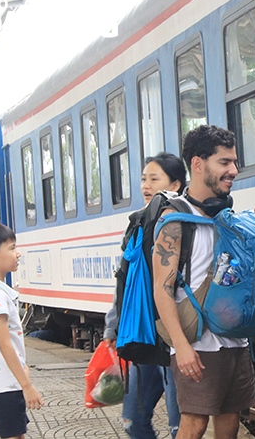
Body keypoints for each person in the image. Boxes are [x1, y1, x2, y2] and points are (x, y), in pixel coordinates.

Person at [153, 125, 255, 439]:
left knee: (230, 420)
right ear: (198, 164)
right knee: (194, 423)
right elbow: (162, 288)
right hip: (198, 342)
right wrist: (181, 347)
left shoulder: (226, 215)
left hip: (234, 339)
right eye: (224, 162)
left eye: (234, 162)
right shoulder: (174, 221)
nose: (233, 170)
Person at [103, 152, 185, 439]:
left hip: (173, 336)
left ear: (175, 184)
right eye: (143, 179)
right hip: (142, 333)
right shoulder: (137, 223)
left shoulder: (185, 221)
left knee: (179, 426)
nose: (146, 185)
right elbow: (124, 279)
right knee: (132, 420)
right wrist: (113, 325)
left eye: (154, 179)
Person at [0, 222, 45, 439]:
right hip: (6, 385)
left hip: (2, 383)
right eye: (12, 248)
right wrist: (27, 386)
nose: (18, 253)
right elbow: (4, 343)